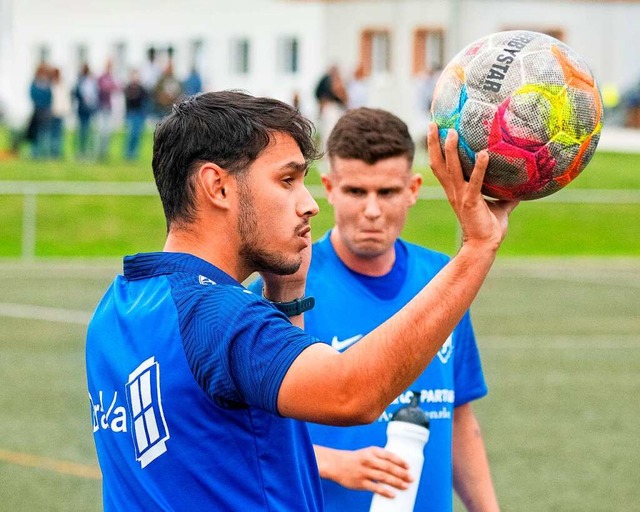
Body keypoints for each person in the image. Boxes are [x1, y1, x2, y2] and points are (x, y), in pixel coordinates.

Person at [85, 91, 517, 511]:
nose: (309, 205)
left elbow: (266, 423)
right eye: (287, 180)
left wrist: (287, 295)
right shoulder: (220, 315)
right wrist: (478, 248)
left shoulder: (121, 304)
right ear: (217, 186)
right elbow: (353, 394)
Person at [252, 107, 500, 511]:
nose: (371, 210)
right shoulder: (283, 287)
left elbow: (458, 417)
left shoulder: (446, 276)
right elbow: (247, 438)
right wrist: (335, 463)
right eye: (355, 192)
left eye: (386, 193)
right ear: (329, 188)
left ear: (413, 188)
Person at [95, 59, 120, 161]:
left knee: (107, 132)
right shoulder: (101, 78)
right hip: (101, 107)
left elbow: (116, 88)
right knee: (100, 131)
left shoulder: (111, 78)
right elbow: (102, 89)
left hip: (108, 107)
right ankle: (98, 152)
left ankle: (104, 153)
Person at [72, 63, 98, 159]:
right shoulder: (79, 81)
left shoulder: (91, 82)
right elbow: (76, 93)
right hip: (82, 110)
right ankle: (80, 151)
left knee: (89, 131)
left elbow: (95, 95)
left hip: (89, 110)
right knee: (81, 132)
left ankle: (88, 152)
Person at [122, 69, 148, 160]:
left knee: (137, 134)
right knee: (131, 134)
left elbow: (145, 101)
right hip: (131, 113)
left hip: (139, 113)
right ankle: (128, 153)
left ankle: (134, 153)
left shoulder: (141, 89)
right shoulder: (128, 88)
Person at [49, 67, 71, 159]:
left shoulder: (62, 85)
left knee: (59, 133)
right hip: (52, 112)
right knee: (53, 134)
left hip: (61, 112)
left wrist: (66, 109)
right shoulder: (51, 85)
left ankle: (57, 152)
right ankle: (53, 152)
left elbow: (65, 99)